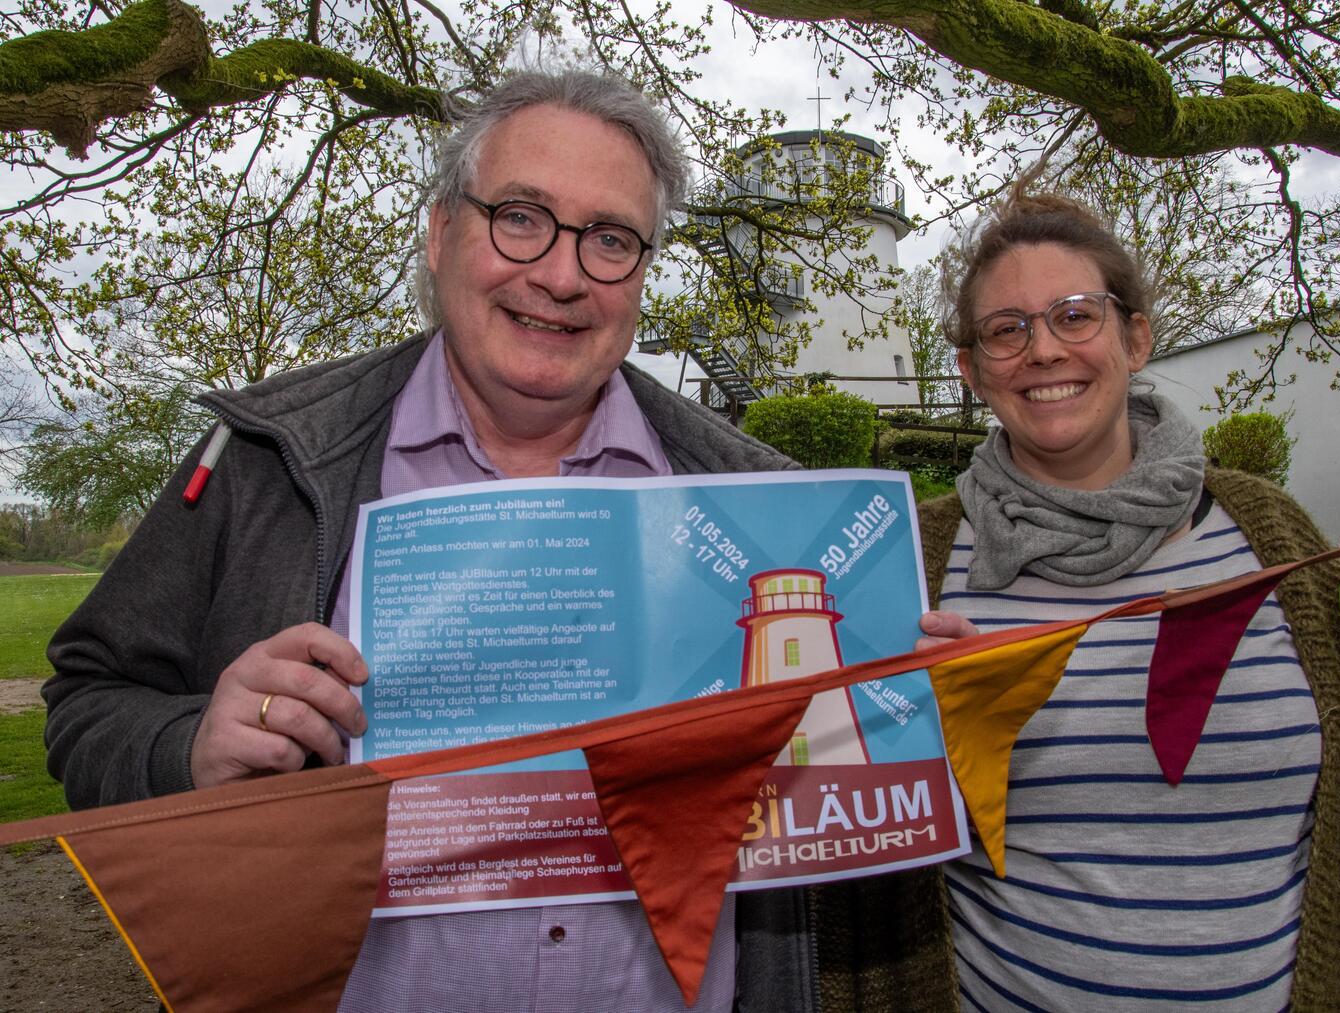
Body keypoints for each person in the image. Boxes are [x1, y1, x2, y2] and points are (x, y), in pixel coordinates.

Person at [39, 70, 871, 1012]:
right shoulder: (269, 458)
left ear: (640, 275)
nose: (560, 275)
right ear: (441, 234)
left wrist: (913, 704)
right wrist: (192, 747)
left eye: (609, 240)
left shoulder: (755, 500)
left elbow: (834, 798)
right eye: (521, 216)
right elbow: (86, 702)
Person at [827, 188, 1340, 1009]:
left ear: (1134, 336)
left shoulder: (1275, 537)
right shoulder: (909, 560)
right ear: (970, 369)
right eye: (1007, 329)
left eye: (1074, 315)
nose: (1042, 350)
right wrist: (904, 727)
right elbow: (841, 821)